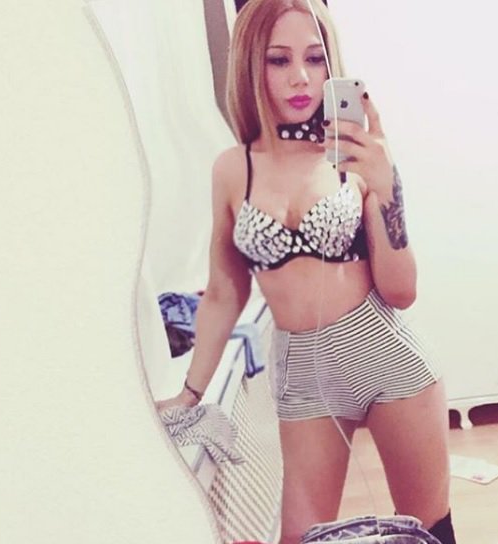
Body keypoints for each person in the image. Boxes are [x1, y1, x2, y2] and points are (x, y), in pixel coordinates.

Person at [156, 1, 456, 543]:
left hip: (385, 356)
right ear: (252, 65)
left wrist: (388, 188)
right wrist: (190, 393)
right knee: (299, 537)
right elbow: (224, 291)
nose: (300, 77)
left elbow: (401, 290)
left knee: (428, 531)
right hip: (302, 375)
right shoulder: (234, 169)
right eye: (279, 60)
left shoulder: (355, 158)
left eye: (315, 58)